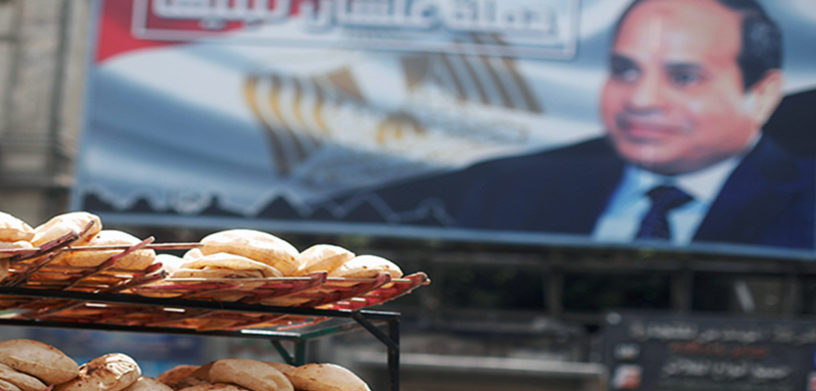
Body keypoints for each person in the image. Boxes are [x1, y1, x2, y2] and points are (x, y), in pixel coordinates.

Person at [344, 0, 814, 251]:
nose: (642, 100)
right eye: (625, 70)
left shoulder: (804, 205)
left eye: (683, 77)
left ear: (763, 93)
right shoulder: (513, 193)